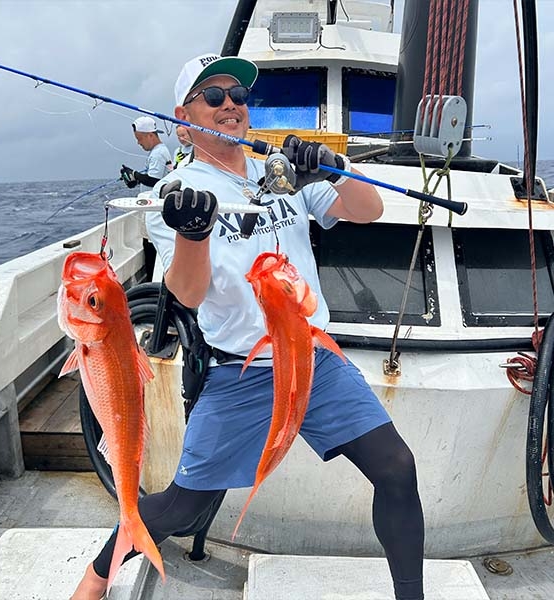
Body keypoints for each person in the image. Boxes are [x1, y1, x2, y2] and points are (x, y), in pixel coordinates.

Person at [71, 53, 425, 600]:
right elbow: (186, 294)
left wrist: (331, 169)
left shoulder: (280, 171)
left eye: (238, 95)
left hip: (313, 360)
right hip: (240, 373)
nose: (230, 105)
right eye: (213, 96)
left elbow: (368, 210)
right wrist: (193, 232)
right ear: (183, 116)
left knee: (397, 467)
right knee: (182, 506)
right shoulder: (175, 192)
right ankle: (97, 575)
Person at [120, 116, 172, 281]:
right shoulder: (159, 152)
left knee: (149, 246)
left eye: (140, 138)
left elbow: (155, 180)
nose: (138, 143)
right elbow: (151, 178)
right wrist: (134, 179)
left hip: (154, 209)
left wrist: (135, 174)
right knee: (149, 244)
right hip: (155, 207)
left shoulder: (158, 154)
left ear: (150, 135)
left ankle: (151, 281)